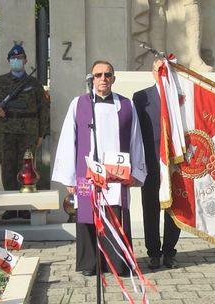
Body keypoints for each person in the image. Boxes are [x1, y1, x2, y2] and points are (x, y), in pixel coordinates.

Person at [52, 60, 147, 276]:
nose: (103, 79)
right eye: (98, 75)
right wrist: (69, 177)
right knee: (87, 216)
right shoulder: (79, 104)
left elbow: (136, 140)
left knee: (115, 215)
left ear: (113, 78)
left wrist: (137, 173)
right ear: (91, 79)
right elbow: (68, 139)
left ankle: (118, 263)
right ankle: (89, 263)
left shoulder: (127, 105)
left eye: (107, 74)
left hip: (116, 176)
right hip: (88, 174)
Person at [0, 44, 50, 220]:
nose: (17, 61)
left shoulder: (34, 84)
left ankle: (24, 207)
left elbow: (43, 109)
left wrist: (41, 134)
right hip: (6, 131)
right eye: (13, 59)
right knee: (8, 168)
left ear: (25, 61)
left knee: (27, 169)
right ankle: (10, 207)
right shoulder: (0, 82)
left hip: (28, 133)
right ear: (9, 61)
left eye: (20, 58)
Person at [133, 58, 181, 269]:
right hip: (151, 161)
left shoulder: (182, 97)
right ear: (153, 73)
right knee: (150, 207)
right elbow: (135, 133)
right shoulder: (141, 97)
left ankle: (170, 251)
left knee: (175, 208)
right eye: (159, 70)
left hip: (176, 163)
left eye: (167, 71)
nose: (162, 75)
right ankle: (153, 252)